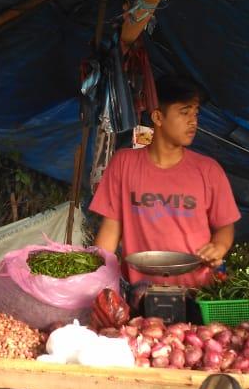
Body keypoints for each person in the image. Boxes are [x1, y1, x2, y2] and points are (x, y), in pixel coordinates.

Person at [90, 75, 240, 288]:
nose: (193, 122)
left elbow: (225, 225)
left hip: (198, 291)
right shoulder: (124, 163)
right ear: (158, 118)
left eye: (196, 114)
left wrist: (219, 246)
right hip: (140, 291)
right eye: (184, 112)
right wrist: (94, 280)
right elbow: (111, 228)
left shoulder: (209, 170)